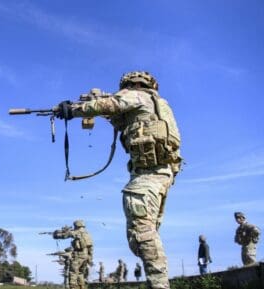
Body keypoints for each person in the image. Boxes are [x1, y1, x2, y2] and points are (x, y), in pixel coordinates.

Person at [55, 71, 182, 289]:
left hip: (148, 175)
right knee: (144, 236)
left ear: (132, 84)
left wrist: (73, 110)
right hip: (159, 173)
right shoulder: (155, 104)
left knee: (142, 235)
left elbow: (112, 105)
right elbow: (119, 117)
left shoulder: (137, 96)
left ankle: (160, 285)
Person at [53, 220, 93, 289]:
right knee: (81, 274)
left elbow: (65, 235)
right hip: (86, 256)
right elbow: (91, 247)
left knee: (73, 273)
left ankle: (73, 287)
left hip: (78, 255)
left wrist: (56, 235)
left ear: (76, 225)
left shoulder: (77, 232)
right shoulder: (87, 234)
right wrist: (90, 257)